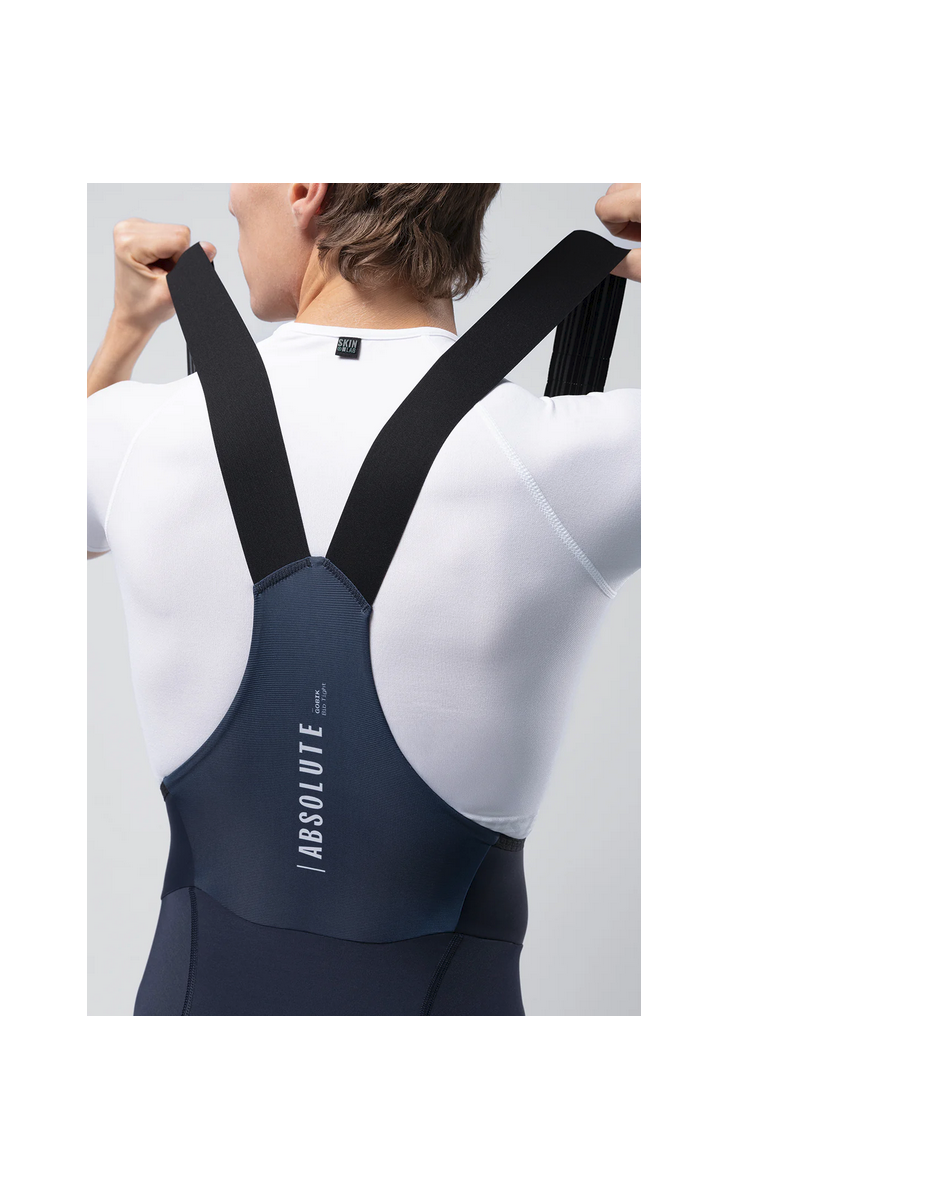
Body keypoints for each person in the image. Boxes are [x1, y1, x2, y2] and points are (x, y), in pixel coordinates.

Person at [88, 184, 640, 1014]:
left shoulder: (135, 434)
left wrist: (125, 333)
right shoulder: (568, 455)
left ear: (306, 189)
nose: (234, 195)